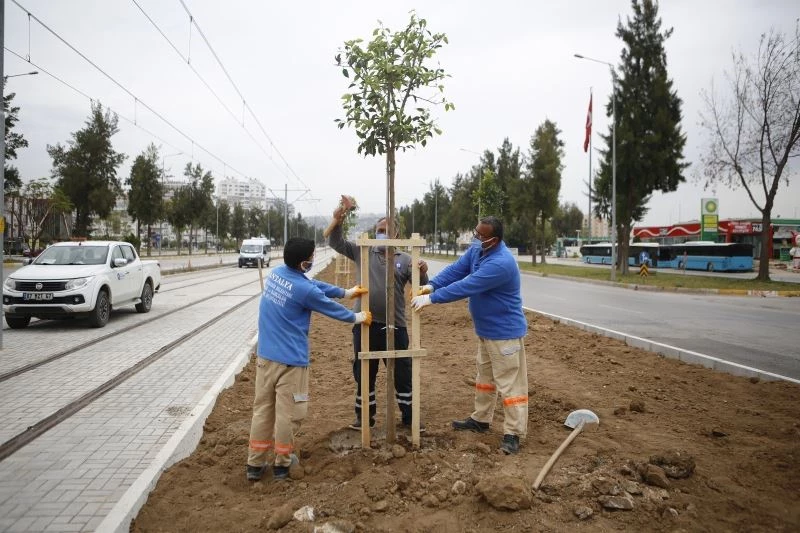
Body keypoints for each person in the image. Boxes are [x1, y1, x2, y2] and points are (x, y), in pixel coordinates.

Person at [246, 237, 372, 482]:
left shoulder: (277, 274)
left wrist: (345, 292)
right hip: (290, 363)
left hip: (265, 358)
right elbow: (325, 304)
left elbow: (312, 286)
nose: (314, 260)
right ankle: (282, 464)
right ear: (304, 262)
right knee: (289, 413)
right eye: (312, 257)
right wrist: (358, 317)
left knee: (262, 410)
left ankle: (255, 464)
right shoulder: (302, 289)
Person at [411, 216, 528, 455]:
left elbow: (467, 284)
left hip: (504, 334)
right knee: (485, 378)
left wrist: (432, 298)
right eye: (475, 233)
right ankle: (481, 420)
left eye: (480, 236)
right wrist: (432, 285)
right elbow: (457, 269)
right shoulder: (478, 249)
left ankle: (513, 434)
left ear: (493, 240)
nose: (475, 239)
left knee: (510, 385)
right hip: (486, 331)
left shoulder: (501, 263)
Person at [328, 201, 429, 431]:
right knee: (365, 372)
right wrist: (338, 220)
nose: (381, 234)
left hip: (397, 325)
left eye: (386, 230)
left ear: (396, 234)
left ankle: (409, 417)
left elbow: (421, 287)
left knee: (403, 371)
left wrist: (422, 273)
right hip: (365, 323)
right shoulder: (362, 250)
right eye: (379, 230)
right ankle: (364, 417)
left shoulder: (405, 259)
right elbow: (336, 242)